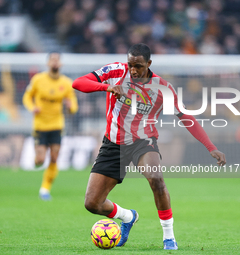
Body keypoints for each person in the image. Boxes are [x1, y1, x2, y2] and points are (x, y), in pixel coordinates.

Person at [72, 43, 226, 250]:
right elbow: (78, 83)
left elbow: (186, 117)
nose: (133, 70)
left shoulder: (162, 88)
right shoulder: (116, 71)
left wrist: (210, 147)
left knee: (156, 179)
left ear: (149, 64)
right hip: (113, 143)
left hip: (143, 143)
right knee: (92, 203)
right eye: (130, 65)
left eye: (138, 66)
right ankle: (128, 217)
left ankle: (168, 237)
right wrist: (106, 86)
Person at [23, 52, 78, 201]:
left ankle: (45, 189)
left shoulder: (66, 83)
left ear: (61, 64)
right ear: (48, 63)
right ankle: (37, 162)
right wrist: (32, 107)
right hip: (40, 125)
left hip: (57, 125)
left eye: (57, 60)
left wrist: (70, 107)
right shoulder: (38, 80)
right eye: (52, 60)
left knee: (54, 158)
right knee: (40, 160)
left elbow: (73, 104)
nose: (54, 62)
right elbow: (27, 96)